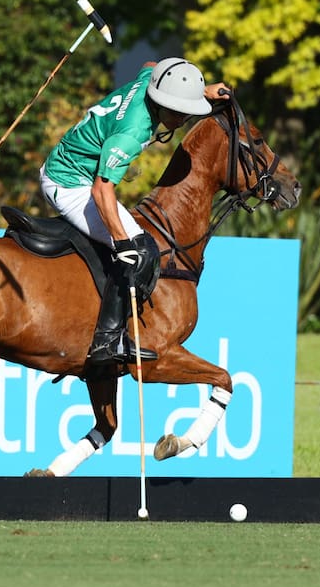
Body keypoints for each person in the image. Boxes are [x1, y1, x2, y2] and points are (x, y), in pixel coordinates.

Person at [40, 57, 230, 365]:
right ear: (161, 102)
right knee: (141, 251)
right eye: (179, 111)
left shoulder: (148, 82)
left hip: (75, 169)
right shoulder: (132, 132)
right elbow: (101, 190)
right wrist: (124, 243)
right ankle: (107, 342)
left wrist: (200, 91)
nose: (183, 118)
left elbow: (151, 64)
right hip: (69, 182)